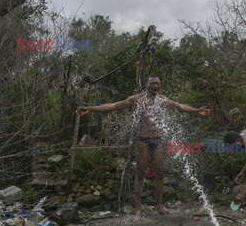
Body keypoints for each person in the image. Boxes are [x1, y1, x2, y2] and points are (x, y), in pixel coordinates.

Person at [76, 75, 210, 217]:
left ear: (160, 86)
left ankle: (160, 207)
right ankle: (138, 208)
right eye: (152, 83)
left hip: (157, 140)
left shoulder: (162, 100)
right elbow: (113, 106)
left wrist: (197, 110)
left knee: (160, 174)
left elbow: (179, 106)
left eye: (157, 84)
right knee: (140, 174)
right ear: (147, 85)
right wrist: (90, 108)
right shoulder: (137, 99)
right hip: (143, 140)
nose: (155, 86)